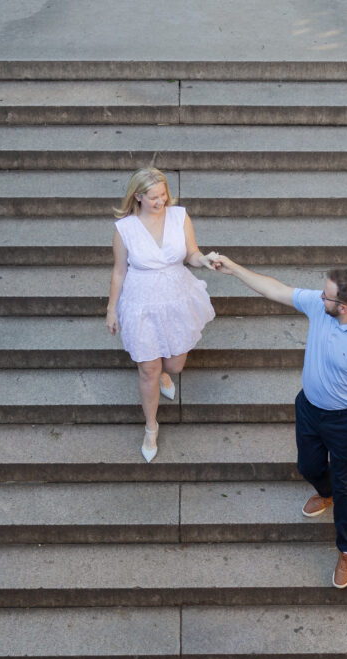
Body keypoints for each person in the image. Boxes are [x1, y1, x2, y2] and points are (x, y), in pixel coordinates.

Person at [211, 255, 347, 589]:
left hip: (343, 422)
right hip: (308, 408)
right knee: (308, 466)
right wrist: (234, 269)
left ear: (345, 306)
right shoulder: (320, 307)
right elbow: (277, 290)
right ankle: (325, 492)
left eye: (327, 296)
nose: (320, 297)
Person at [106, 168, 218, 461]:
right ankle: (151, 426)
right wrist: (111, 309)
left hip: (176, 297)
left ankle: (165, 378)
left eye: (163, 195)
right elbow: (119, 271)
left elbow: (191, 253)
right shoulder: (125, 229)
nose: (160, 201)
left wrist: (202, 259)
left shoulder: (179, 216)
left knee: (175, 365)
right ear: (138, 196)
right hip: (140, 300)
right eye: (154, 197)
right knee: (148, 369)